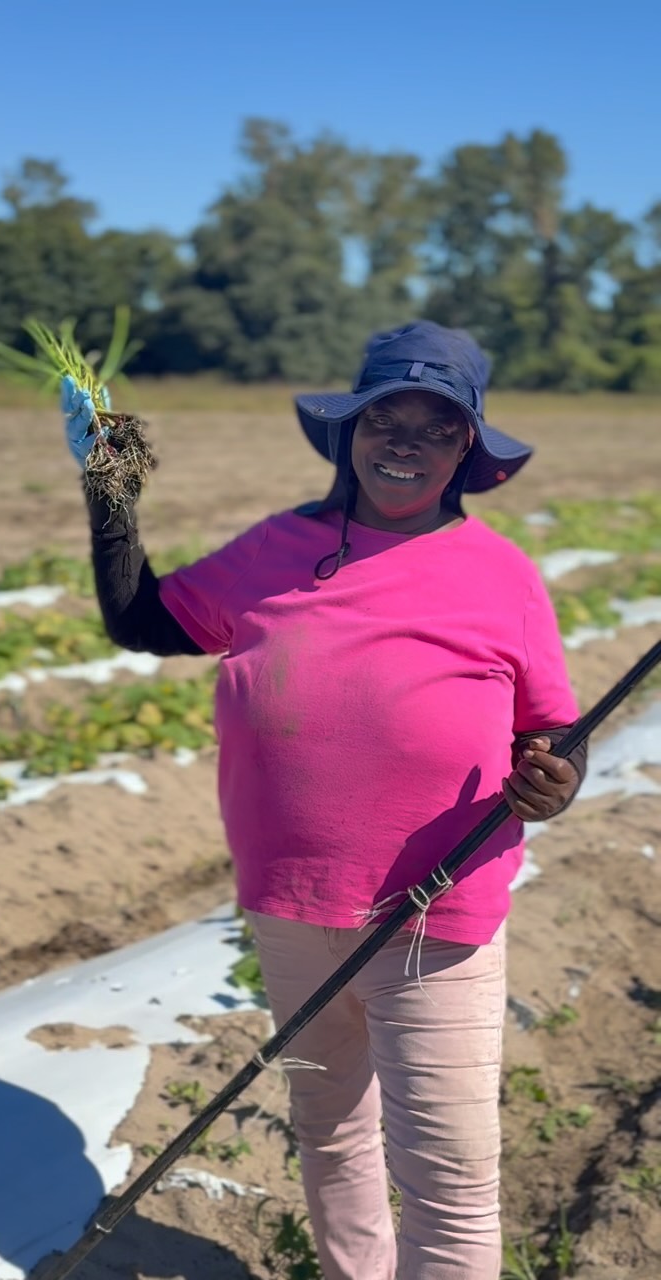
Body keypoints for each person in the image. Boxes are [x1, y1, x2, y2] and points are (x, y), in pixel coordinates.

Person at [62, 321, 587, 1280]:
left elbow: (550, 732)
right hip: (293, 907)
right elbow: (145, 621)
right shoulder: (275, 549)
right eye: (386, 416)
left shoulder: (502, 575)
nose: (406, 440)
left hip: (437, 920)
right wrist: (110, 494)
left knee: (450, 1177)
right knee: (332, 1135)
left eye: (437, 426)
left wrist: (552, 780)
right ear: (350, 428)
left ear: (466, 449)